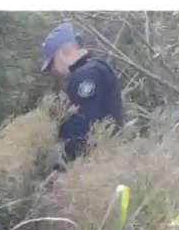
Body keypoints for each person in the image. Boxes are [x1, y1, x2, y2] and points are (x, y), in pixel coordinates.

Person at [41, 21, 124, 162]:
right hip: (107, 157)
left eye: (51, 64)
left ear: (62, 52)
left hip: (97, 163)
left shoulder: (85, 75)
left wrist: (63, 162)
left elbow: (84, 125)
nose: (53, 71)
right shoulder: (94, 69)